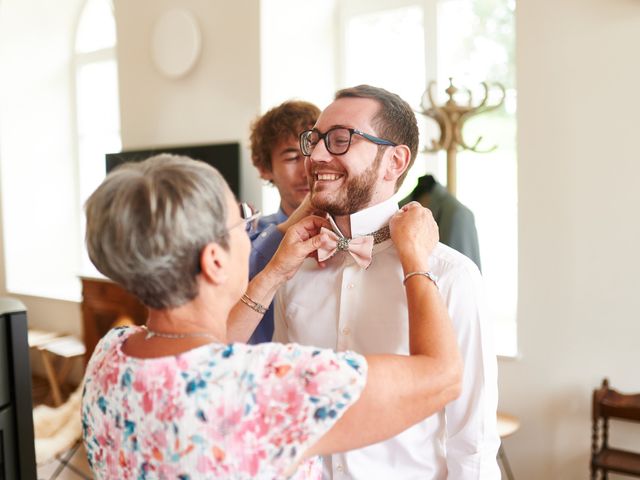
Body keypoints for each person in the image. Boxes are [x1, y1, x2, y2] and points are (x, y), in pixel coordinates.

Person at [80, 154, 462, 479]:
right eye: (244, 221)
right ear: (214, 260)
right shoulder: (269, 384)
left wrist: (274, 273)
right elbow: (441, 378)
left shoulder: (110, 355)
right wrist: (415, 256)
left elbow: (202, 356)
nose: (251, 233)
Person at [274, 85, 500, 479]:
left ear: (394, 161)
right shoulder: (293, 268)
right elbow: (282, 407)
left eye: (341, 140)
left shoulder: (451, 276)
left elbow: (473, 440)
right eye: (315, 140)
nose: (317, 156)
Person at [247, 100, 320, 343]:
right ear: (264, 167)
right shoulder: (249, 235)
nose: (306, 170)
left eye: (311, 153)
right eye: (291, 158)